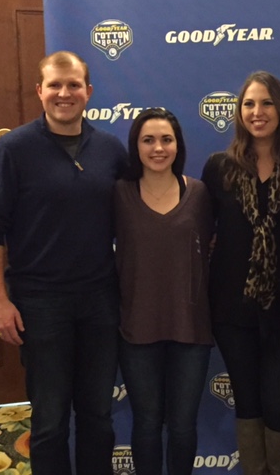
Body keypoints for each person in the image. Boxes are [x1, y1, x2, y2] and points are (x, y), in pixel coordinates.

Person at [0, 51, 126, 475]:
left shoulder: (110, 150)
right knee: (49, 422)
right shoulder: (12, 149)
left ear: (88, 91)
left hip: (100, 299)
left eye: (73, 85)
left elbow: (137, 215)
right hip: (39, 302)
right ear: (40, 91)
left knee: (98, 416)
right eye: (55, 85)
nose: (64, 93)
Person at [200, 71, 280, 475]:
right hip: (231, 308)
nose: (257, 112)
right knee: (247, 401)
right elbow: (201, 232)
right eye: (248, 104)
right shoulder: (219, 168)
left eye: (266, 103)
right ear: (238, 112)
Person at [114, 108, 214, 475]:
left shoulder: (199, 193)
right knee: (146, 422)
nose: (158, 148)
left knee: (183, 426)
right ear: (136, 146)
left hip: (190, 329)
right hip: (137, 329)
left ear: (178, 145)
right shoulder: (119, 194)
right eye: (148, 140)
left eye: (166, 139)